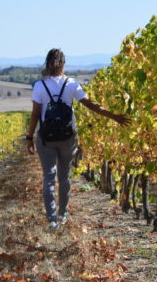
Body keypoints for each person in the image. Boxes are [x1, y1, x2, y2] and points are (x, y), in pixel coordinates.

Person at [25, 48, 130, 230]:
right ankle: (63, 215)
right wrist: (114, 116)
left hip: (46, 138)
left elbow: (35, 114)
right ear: (63, 64)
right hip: (68, 137)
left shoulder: (39, 86)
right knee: (64, 177)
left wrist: (29, 137)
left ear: (47, 63)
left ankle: (52, 220)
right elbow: (92, 106)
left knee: (49, 177)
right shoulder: (72, 84)